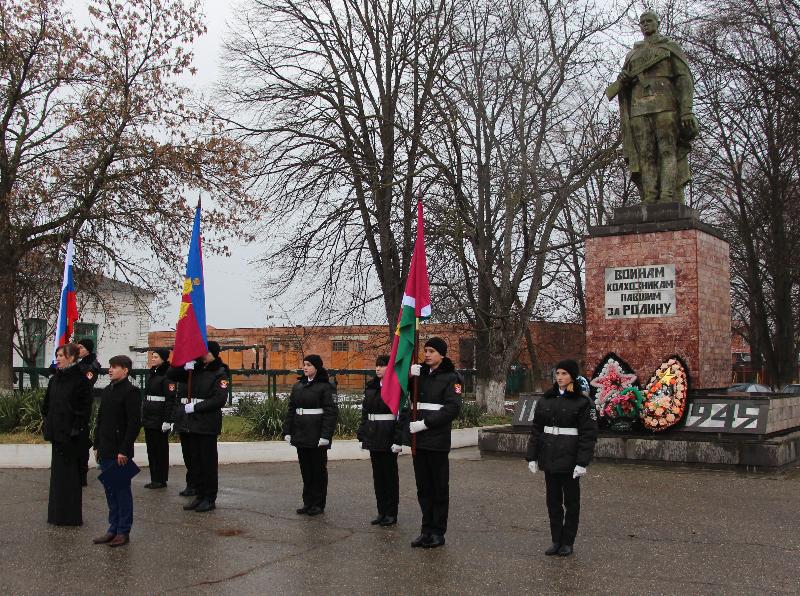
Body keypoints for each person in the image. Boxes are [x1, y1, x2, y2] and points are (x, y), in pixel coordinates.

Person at [609, 10, 698, 203]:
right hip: (639, 109)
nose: (645, 24)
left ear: (658, 23)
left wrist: (686, 110)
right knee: (645, 154)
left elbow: (683, 79)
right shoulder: (633, 54)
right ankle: (650, 196)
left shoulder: (670, 47)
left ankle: (667, 195)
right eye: (642, 22)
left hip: (665, 106)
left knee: (667, 150)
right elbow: (623, 85)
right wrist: (623, 80)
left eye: (649, 21)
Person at [525, 359, 598, 557]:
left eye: (564, 374)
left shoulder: (583, 403)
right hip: (550, 457)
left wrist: (582, 462)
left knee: (571, 503)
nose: (560, 377)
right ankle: (556, 540)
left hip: (570, 459)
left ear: (572, 376)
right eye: (558, 373)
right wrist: (532, 457)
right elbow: (537, 430)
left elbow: (588, 435)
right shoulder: (546, 400)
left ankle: (568, 542)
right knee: (553, 502)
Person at [403, 337, 462, 549]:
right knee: (423, 488)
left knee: (438, 488)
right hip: (419, 441)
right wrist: (410, 378)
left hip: (436, 439)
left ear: (442, 355)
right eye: (426, 350)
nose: (427, 354)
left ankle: (438, 531)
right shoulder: (422, 376)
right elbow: (408, 396)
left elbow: (452, 408)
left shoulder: (451, 378)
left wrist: (425, 424)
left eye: (431, 351)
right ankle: (426, 529)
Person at [170, 341, 229, 512]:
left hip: (206, 422)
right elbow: (171, 374)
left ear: (212, 353)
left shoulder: (220, 372)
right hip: (190, 423)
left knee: (207, 462)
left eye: (203, 351)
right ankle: (199, 495)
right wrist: (183, 366)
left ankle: (210, 497)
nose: (200, 354)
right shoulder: (193, 369)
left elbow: (219, 399)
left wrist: (196, 407)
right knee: (194, 461)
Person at [92, 355, 142, 547]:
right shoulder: (107, 391)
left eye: (114, 367)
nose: (110, 370)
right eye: (109, 366)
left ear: (125, 370)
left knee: (121, 491)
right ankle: (112, 528)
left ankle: (123, 530)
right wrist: (96, 444)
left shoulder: (131, 392)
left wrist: (124, 449)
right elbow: (101, 419)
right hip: (105, 448)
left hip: (119, 451)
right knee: (110, 491)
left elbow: (133, 424)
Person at [41, 343, 92, 526]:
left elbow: (84, 410)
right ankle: (56, 515)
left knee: (70, 478)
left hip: (71, 437)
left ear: (71, 358)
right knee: (57, 478)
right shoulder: (55, 379)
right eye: (57, 354)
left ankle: (70, 517)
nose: (58, 358)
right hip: (57, 434)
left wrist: (74, 429)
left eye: (61, 355)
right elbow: (47, 405)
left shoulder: (80, 380)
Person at [283, 354, 338, 516]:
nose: (305, 367)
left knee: (318, 470)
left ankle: (318, 503)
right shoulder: (298, 386)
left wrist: (325, 436)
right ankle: (308, 502)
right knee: (306, 470)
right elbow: (291, 409)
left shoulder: (325, 386)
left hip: (316, 434)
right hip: (300, 433)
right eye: (304, 364)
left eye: (309, 365)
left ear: (317, 367)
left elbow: (331, 412)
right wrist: (288, 430)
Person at [357, 354, 401, 526]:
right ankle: (381, 511)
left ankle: (391, 512)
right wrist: (362, 433)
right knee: (378, 476)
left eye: (382, 366)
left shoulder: (396, 387)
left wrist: (398, 439)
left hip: (388, 435)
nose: (378, 368)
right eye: (377, 365)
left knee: (389, 476)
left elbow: (400, 415)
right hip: (373, 435)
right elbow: (365, 413)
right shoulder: (371, 387)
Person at [142, 348, 176, 489]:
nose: (153, 359)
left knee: (160, 449)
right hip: (150, 415)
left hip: (160, 416)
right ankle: (154, 477)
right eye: (152, 356)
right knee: (151, 449)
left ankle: (161, 479)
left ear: (163, 358)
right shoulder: (153, 373)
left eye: (156, 357)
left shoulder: (167, 375)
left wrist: (167, 420)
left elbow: (170, 399)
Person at [76, 338, 101, 486]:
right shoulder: (80, 364)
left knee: (82, 437)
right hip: (75, 403)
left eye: (81, 348)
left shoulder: (91, 365)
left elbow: (86, 383)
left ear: (87, 349)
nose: (78, 350)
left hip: (83, 404)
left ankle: (82, 471)